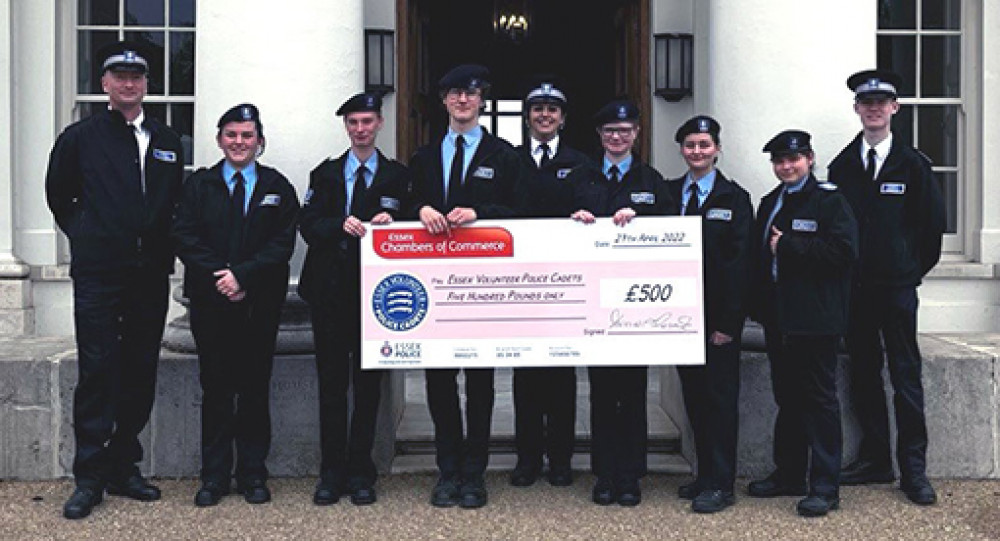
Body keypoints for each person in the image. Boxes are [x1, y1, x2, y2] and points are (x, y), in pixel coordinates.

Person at [45, 41, 184, 520]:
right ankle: (89, 476)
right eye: (119, 76)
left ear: (146, 84)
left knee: (140, 369)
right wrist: (88, 236)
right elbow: (59, 194)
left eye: (137, 76)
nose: (129, 83)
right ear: (104, 83)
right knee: (98, 369)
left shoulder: (167, 140)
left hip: (149, 275)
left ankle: (125, 465)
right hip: (100, 275)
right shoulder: (80, 137)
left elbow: (172, 202)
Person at [409, 63, 525, 509]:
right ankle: (448, 469)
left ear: (482, 101)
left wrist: (481, 214)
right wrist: (419, 207)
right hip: (435, 291)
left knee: (480, 385)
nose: (462, 100)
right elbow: (402, 202)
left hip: (482, 288)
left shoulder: (504, 155)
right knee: (439, 382)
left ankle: (475, 472)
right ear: (443, 100)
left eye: (471, 93)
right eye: (455, 93)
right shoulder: (422, 156)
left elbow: (521, 211)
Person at [828, 69, 946, 505]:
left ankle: (914, 469)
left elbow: (932, 229)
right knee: (863, 374)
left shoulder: (913, 164)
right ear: (857, 108)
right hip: (856, 291)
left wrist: (908, 271)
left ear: (894, 108)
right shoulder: (842, 165)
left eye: (882, 101)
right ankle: (875, 459)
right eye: (866, 102)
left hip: (896, 290)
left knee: (905, 377)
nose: (874, 108)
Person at [172, 104, 299, 507]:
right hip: (212, 305)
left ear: (259, 141)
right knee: (216, 390)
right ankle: (213, 477)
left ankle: (252, 474)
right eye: (231, 135)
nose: (239, 143)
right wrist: (222, 277)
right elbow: (185, 235)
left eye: (246, 136)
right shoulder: (199, 186)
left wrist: (243, 276)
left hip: (258, 305)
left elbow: (282, 244)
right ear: (219, 139)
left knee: (254, 389)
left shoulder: (278, 187)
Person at [298, 92, 410, 506]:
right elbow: (306, 222)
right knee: (331, 386)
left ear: (379, 123)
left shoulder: (398, 176)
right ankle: (331, 472)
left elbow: (414, 224)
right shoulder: (324, 174)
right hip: (329, 292)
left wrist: (393, 221)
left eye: (367, 121)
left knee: (367, 388)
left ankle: (362, 471)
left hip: (375, 296)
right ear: (346, 128)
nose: (360, 129)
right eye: (353, 123)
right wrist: (336, 224)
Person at [568, 99, 675, 507]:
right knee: (600, 391)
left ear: (636, 134)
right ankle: (604, 474)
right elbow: (553, 230)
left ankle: (630, 474)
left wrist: (644, 224)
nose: (617, 137)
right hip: (592, 304)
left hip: (635, 305)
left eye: (625, 130)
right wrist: (572, 221)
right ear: (600, 136)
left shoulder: (653, 180)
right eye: (610, 131)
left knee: (632, 392)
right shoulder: (581, 178)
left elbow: (672, 233)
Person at [747, 130, 858, 517]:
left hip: (816, 320)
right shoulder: (770, 203)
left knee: (820, 401)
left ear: (809, 159)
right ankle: (789, 474)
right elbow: (760, 261)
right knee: (788, 399)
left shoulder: (829, 200)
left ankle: (825, 487)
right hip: (780, 319)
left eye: (793, 159)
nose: (786, 166)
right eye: (779, 161)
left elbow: (844, 253)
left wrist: (790, 246)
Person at [668, 116, 753, 513]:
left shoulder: (735, 198)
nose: (697, 152)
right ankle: (704, 475)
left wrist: (728, 324)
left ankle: (721, 484)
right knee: (696, 401)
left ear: (717, 149)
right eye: (690, 145)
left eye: (704, 145)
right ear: (682, 150)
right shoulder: (669, 194)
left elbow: (740, 267)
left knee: (720, 403)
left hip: (717, 321)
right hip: (680, 319)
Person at [510, 80, 591, 488]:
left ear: (563, 118)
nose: (544, 115)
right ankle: (526, 460)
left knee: (561, 376)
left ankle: (561, 459)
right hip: (520, 284)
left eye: (552, 109)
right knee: (525, 376)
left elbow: (594, 209)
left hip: (565, 283)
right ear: (528, 117)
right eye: (537, 108)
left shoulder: (582, 162)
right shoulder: (509, 159)